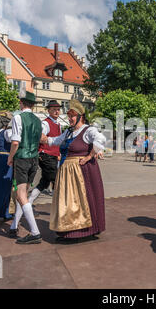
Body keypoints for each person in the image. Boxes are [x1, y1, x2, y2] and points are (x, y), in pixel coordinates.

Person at [40, 99, 106, 242]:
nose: (69, 119)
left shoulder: (89, 130)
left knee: (82, 201)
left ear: (80, 117)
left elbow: (101, 140)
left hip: (83, 171)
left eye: (72, 116)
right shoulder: (69, 132)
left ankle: (83, 231)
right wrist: (42, 138)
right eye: (69, 116)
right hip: (67, 171)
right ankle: (71, 230)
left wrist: (89, 156)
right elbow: (55, 141)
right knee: (69, 202)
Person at [7, 92, 43, 244]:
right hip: (34, 158)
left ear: (22, 103)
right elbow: (40, 139)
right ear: (33, 105)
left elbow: (15, 141)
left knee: (20, 196)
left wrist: (10, 158)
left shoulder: (17, 117)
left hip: (22, 158)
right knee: (24, 195)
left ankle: (35, 232)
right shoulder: (38, 120)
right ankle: (14, 226)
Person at [27, 100, 62, 206]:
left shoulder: (58, 124)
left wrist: (58, 152)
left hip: (52, 156)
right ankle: (60, 207)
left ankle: (29, 202)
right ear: (49, 111)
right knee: (57, 181)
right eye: (54, 110)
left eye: (58, 109)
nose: (57, 112)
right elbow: (40, 137)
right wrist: (51, 142)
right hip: (46, 155)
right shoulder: (46, 123)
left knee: (44, 182)